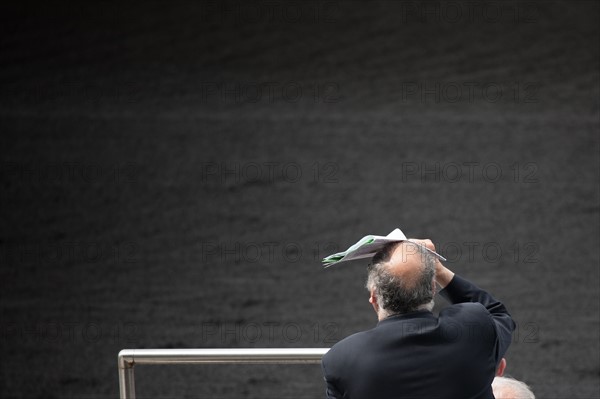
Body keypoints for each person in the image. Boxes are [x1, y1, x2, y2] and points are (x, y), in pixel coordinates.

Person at [321, 239, 516, 399]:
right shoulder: (473, 328)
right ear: (432, 289)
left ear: (374, 297)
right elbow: (497, 313)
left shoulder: (341, 360)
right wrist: (439, 270)